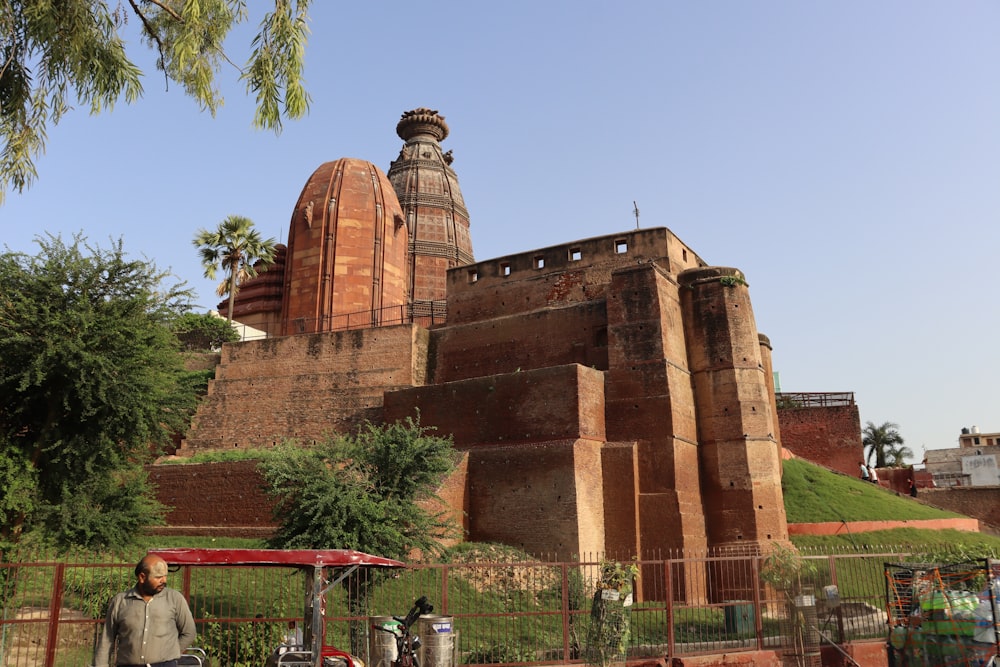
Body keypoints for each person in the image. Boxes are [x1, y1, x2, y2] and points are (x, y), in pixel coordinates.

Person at [93, 553, 196, 667]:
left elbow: (189, 632)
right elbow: (107, 640)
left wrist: (169, 653)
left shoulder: (174, 599)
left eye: (165, 576)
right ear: (142, 577)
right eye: (158, 577)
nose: (163, 580)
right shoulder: (121, 601)